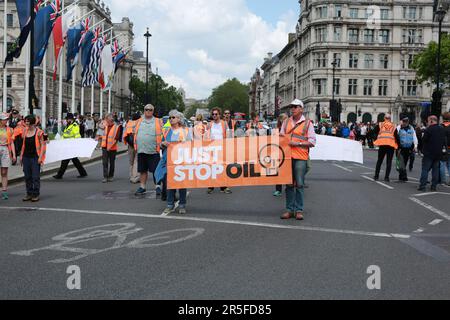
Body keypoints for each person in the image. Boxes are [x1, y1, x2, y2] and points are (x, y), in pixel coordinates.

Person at [280, 99, 316, 221]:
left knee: (299, 184)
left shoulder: (307, 123)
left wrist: (296, 143)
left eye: (295, 107)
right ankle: (289, 210)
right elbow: (281, 138)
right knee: (289, 184)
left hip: (301, 157)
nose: (293, 109)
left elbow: (312, 142)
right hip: (287, 157)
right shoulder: (285, 122)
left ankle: (299, 210)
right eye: (292, 107)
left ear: (301, 108)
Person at [161, 110, 192, 215]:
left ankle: (182, 204)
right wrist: (163, 144)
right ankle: (170, 204)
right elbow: (161, 144)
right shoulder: (167, 131)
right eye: (169, 118)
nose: (170, 119)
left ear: (179, 119)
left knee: (182, 183)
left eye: (173, 117)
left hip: (181, 160)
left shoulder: (185, 131)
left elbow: (191, 145)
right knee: (170, 183)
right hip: (169, 161)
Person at [133, 104, 164, 198]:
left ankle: (158, 186)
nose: (148, 111)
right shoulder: (138, 121)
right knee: (142, 170)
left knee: (156, 170)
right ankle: (142, 187)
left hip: (154, 150)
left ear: (153, 111)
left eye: (150, 110)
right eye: (146, 109)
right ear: (144, 110)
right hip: (141, 150)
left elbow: (164, 133)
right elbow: (133, 133)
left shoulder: (158, 121)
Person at [53, 113, 88, 179]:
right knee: (75, 161)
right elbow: (65, 135)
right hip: (67, 145)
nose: (66, 120)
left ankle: (59, 175)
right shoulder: (68, 126)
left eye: (67, 119)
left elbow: (77, 136)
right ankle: (83, 173)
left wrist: (76, 145)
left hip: (71, 146)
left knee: (65, 161)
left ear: (71, 119)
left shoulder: (74, 126)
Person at [205, 107, 231, 194]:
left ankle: (223, 186)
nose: (214, 116)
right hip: (212, 149)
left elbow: (228, 136)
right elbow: (206, 136)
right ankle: (211, 186)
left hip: (222, 148)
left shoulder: (224, 124)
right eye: (213, 114)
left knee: (222, 167)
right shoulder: (209, 124)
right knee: (212, 167)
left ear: (219, 115)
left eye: (216, 114)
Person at [21, 115, 46, 202]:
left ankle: (35, 194)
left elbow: (43, 144)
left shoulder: (39, 132)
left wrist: (40, 157)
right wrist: (21, 157)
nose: (25, 122)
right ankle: (29, 193)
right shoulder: (24, 131)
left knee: (35, 176)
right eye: (25, 121)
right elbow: (23, 144)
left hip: (35, 157)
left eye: (27, 121)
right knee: (27, 176)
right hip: (26, 157)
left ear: (31, 122)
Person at [418, 115, 446, 191]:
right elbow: (444, 141)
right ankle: (433, 187)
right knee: (435, 171)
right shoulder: (442, 129)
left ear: (431, 121)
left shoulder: (429, 129)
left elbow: (424, 140)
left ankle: (422, 186)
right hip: (438, 153)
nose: (427, 122)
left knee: (425, 169)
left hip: (429, 153)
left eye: (428, 121)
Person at [373, 114, 399, 182]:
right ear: (390, 119)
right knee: (389, 162)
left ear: (384, 118)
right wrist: (398, 146)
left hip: (382, 144)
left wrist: (376, 138)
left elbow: (373, 132)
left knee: (379, 161)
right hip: (390, 145)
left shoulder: (380, 124)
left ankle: (376, 176)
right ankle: (386, 177)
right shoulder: (393, 126)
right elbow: (396, 136)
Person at [101, 114, 123, 183]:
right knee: (104, 163)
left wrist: (110, 147)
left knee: (112, 163)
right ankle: (105, 177)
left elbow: (116, 139)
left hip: (112, 148)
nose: (106, 120)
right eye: (106, 119)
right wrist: (98, 138)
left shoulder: (117, 127)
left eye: (107, 119)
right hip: (104, 147)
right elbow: (102, 134)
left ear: (111, 119)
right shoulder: (106, 126)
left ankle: (111, 176)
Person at [396, 117, 418, 182]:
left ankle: (401, 176)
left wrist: (415, 145)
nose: (405, 123)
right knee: (401, 163)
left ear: (408, 122)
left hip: (408, 148)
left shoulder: (411, 128)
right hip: (400, 148)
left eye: (406, 122)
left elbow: (414, 137)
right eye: (404, 122)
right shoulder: (399, 128)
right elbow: (395, 136)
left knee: (404, 163)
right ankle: (404, 177)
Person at [0, 113, 16, 200]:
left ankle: (4, 191)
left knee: (4, 172)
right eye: (4, 119)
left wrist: (14, 154)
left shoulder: (10, 129)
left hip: (6, 149)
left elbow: (12, 143)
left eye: (6, 119)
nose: (6, 121)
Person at [123, 113, 141, 184]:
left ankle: (131, 176)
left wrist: (130, 143)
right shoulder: (140, 123)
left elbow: (125, 135)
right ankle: (135, 176)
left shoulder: (129, 123)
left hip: (130, 145)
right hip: (138, 144)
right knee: (136, 161)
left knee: (131, 161)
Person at [274, 113, 288, 197]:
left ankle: (288, 187)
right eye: (284, 118)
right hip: (278, 152)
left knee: (287, 171)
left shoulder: (289, 128)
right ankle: (278, 190)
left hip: (287, 152)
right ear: (280, 120)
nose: (286, 120)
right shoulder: (277, 129)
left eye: (287, 118)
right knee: (278, 171)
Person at [440, 112, 450, 186]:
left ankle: (443, 180)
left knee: (442, 164)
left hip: (443, 148)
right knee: (449, 165)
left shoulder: (441, 127)